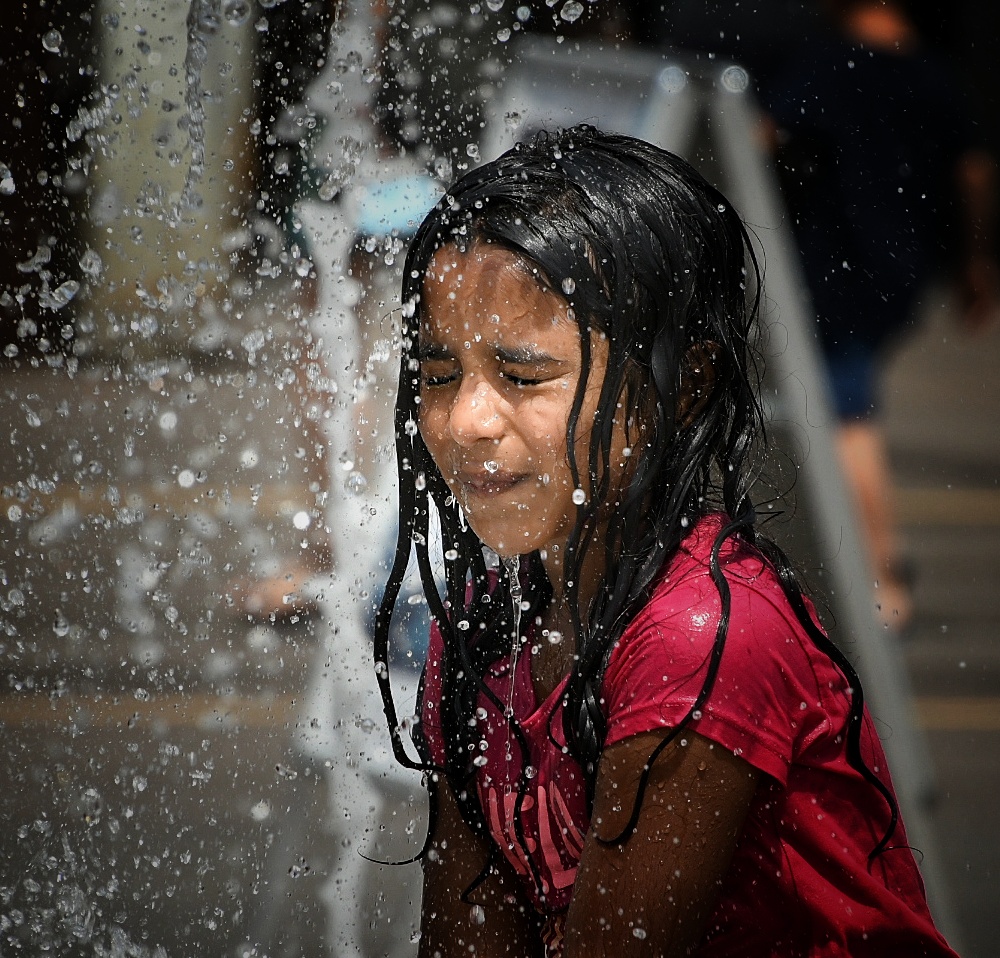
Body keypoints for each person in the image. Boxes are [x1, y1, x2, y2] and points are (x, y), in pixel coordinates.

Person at [372, 126, 957, 956]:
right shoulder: (484, 625)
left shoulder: (703, 639)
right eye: (438, 376)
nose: (466, 420)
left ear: (684, 385)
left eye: (524, 377)